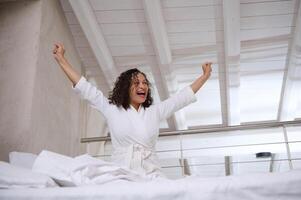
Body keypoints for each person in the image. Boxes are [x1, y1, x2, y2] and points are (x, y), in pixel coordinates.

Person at [53, 43, 212, 179]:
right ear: (126, 88)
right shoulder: (111, 109)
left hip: (152, 173)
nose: (142, 86)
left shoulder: (154, 112)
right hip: (121, 173)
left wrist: (204, 77)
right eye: (136, 83)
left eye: (144, 83)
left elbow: (181, 98)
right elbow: (85, 87)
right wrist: (61, 58)